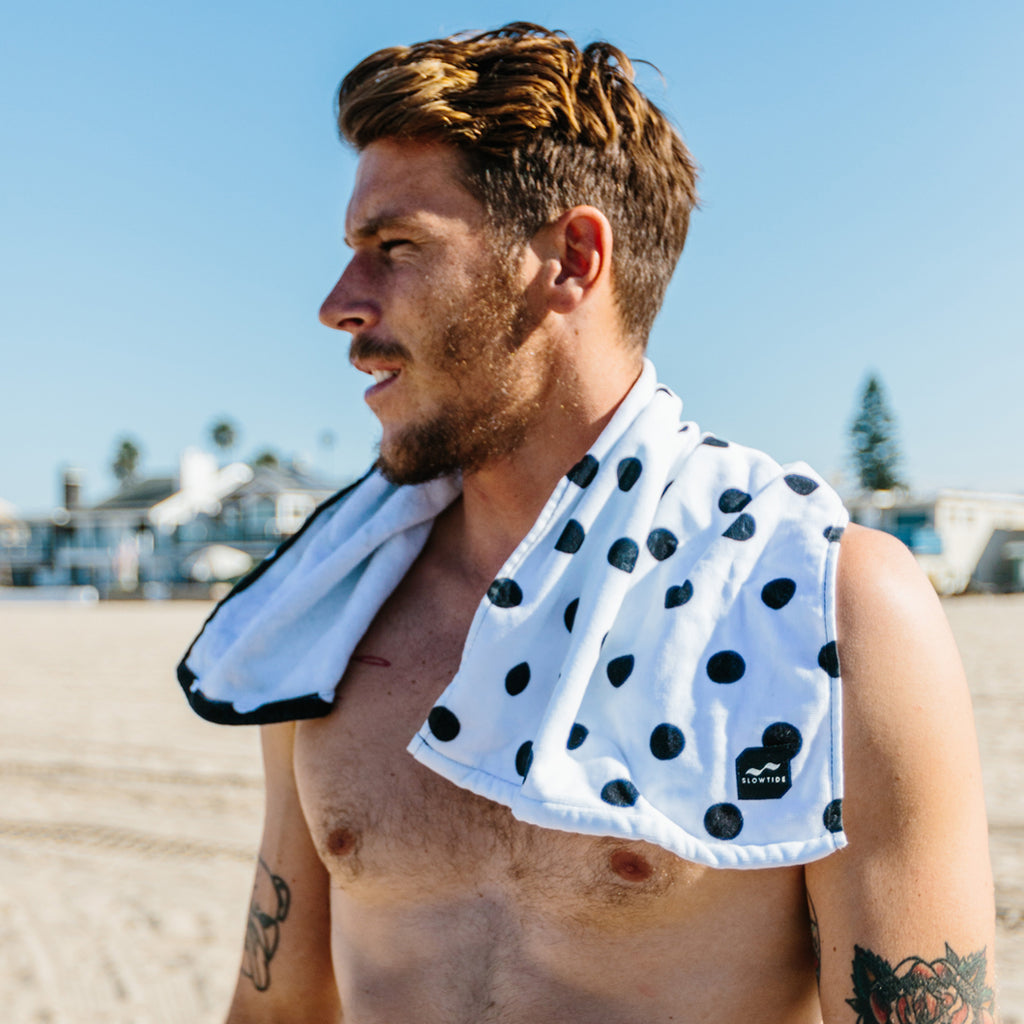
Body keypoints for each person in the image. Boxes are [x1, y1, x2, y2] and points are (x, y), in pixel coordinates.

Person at [178, 22, 998, 1024]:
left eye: (395, 248)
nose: (340, 304)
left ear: (571, 259)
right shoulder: (328, 605)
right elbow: (276, 1009)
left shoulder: (829, 606)